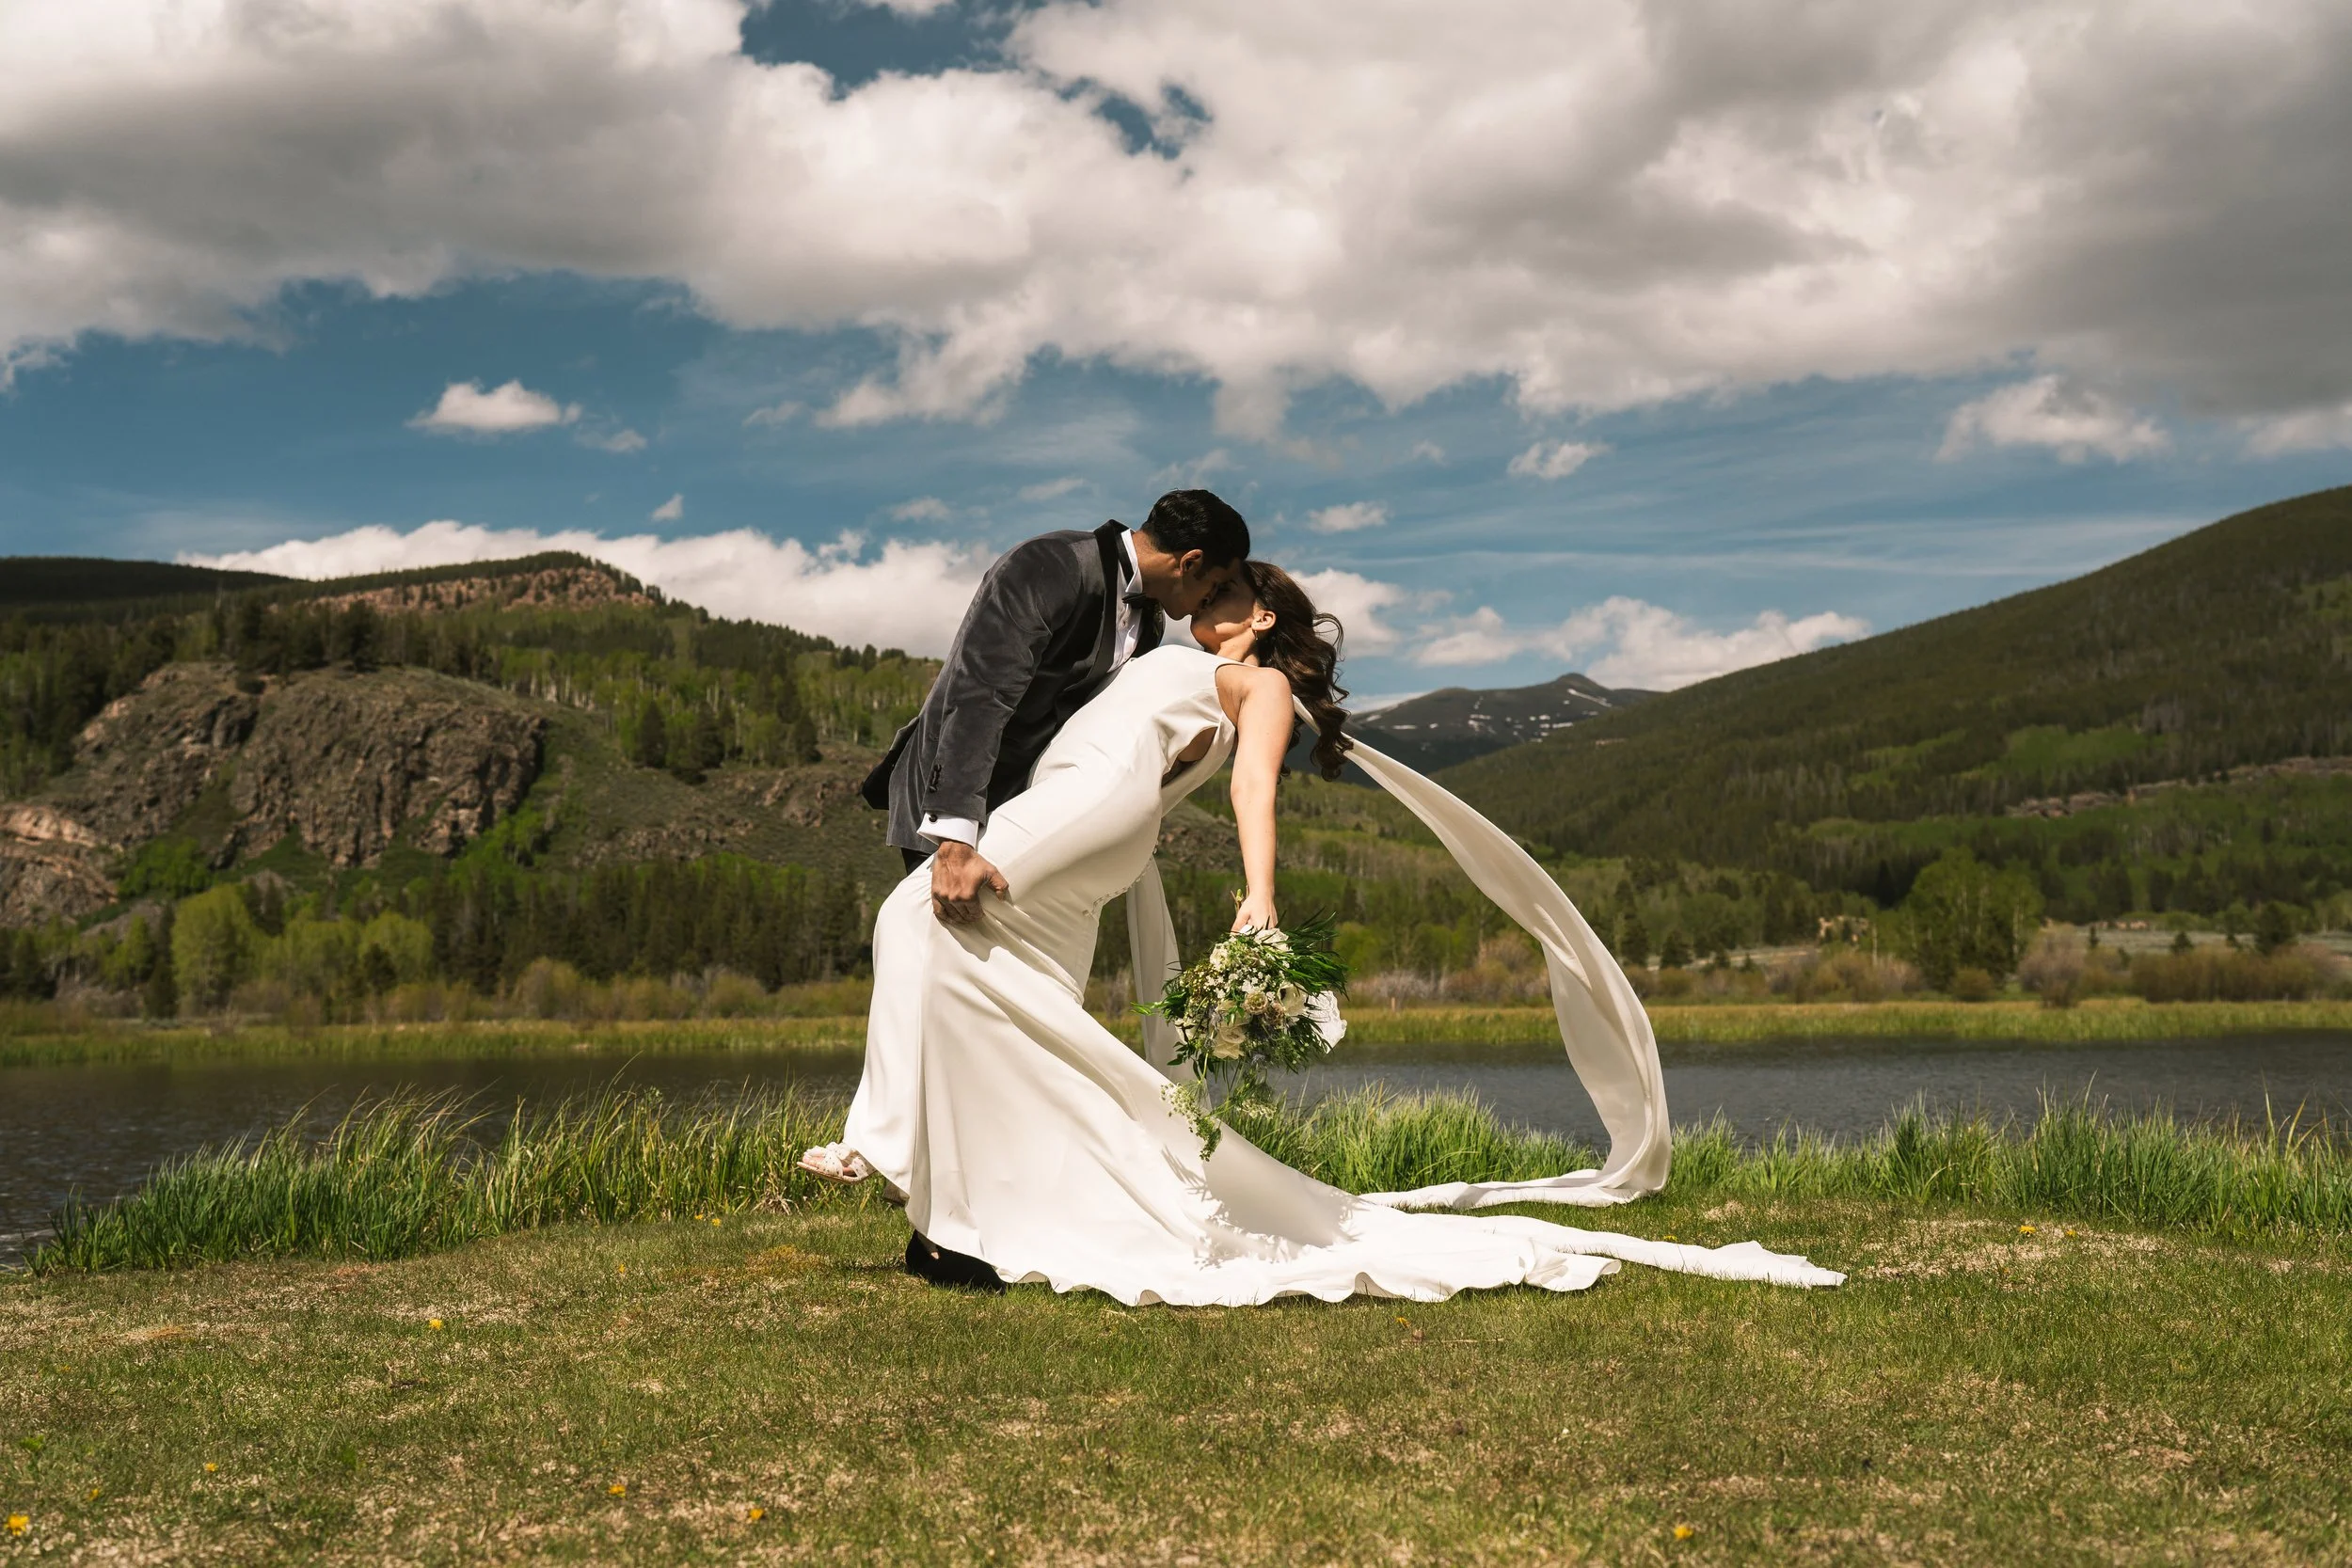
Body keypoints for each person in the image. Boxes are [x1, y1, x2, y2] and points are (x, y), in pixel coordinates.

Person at [809, 561, 1844, 1303]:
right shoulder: (1160, 659)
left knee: (915, 920)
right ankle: (957, 1228)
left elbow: (1255, 783)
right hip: (1077, 846)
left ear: (1260, 615)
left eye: (1219, 597)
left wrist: (1258, 893)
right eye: (1197, 592)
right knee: (995, 1021)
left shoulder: (1256, 683)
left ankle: (885, 1140)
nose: (1198, 606)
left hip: (1080, 838)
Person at [850, 488, 1248, 1283]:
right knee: (951, 1000)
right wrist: (957, 836)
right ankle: (939, 1228)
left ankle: (976, 1221)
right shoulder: (1049, 567)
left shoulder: (1154, 625)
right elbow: (978, 696)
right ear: (1194, 564)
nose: (1210, 604)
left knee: (1004, 1013)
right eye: (1214, 587)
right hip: (957, 810)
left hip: (1025, 822)